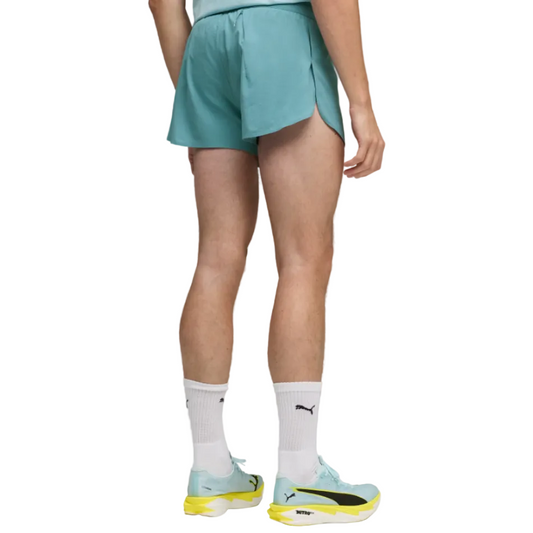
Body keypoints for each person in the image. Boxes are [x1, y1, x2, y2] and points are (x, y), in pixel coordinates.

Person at [150, 0, 385, 526]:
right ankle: (300, 474)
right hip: (282, 34)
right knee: (304, 260)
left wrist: (197, 93)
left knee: (215, 261)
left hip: (204, 47)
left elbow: (161, 2)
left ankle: (211, 469)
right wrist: (362, 104)